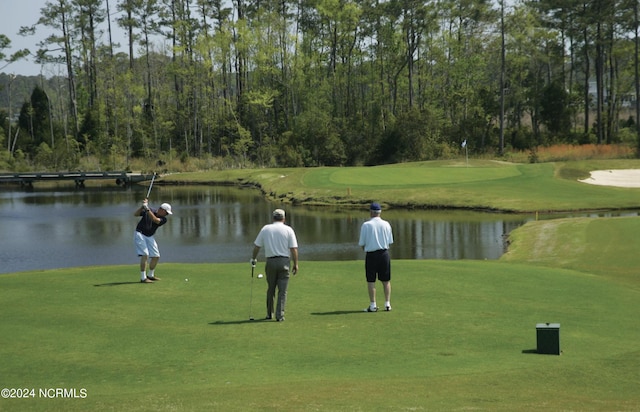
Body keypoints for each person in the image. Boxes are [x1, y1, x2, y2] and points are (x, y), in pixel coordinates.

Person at [251, 208, 299, 322]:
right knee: (282, 291)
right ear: (284, 218)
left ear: (273, 218)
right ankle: (280, 315)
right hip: (284, 262)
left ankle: (269, 314)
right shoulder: (288, 230)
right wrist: (296, 264)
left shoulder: (266, 229)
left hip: (271, 262)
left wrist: (253, 259)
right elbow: (294, 249)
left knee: (271, 289)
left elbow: (257, 246)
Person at [358, 202, 393, 312]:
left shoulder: (366, 225)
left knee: (371, 281)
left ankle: (373, 305)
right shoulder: (387, 224)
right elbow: (389, 241)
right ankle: (387, 304)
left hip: (371, 255)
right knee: (386, 280)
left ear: (371, 212)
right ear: (380, 212)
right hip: (384, 254)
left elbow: (362, 244)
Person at [134, 199, 172, 283]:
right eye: (166, 213)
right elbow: (135, 214)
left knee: (156, 256)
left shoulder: (163, 219)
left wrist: (146, 208)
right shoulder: (150, 209)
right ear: (162, 210)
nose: (167, 215)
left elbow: (155, 220)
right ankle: (143, 278)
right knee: (145, 254)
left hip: (149, 236)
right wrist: (142, 207)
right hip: (140, 234)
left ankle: (150, 275)